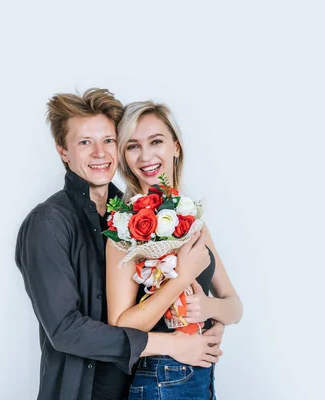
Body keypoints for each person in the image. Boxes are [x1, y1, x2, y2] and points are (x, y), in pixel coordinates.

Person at [15, 89, 225, 400]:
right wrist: (170, 345)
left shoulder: (134, 215)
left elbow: (169, 296)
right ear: (63, 151)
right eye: (85, 142)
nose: (100, 153)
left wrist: (213, 321)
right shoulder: (48, 223)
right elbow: (65, 330)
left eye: (108, 140)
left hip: (146, 387)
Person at [106, 101, 244, 399]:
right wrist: (181, 279)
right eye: (132, 146)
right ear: (124, 156)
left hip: (201, 376)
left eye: (156, 141)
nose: (146, 156)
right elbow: (121, 327)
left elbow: (235, 305)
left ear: (176, 147)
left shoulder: (193, 220)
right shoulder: (122, 230)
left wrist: (211, 311)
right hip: (159, 377)